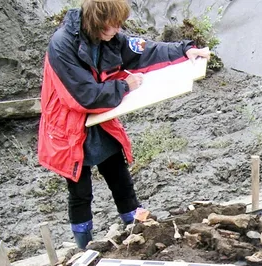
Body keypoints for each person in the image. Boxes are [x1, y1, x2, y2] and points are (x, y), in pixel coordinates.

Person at [38, 0, 211, 249]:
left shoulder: (111, 37)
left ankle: (136, 231)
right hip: (69, 128)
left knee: (120, 177)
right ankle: (84, 248)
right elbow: (84, 96)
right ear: (97, 21)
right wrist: (124, 86)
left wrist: (185, 51)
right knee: (80, 193)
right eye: (113, 24)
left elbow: (145, 50)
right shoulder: (61, 45)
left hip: (101, 121)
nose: (118, 29)